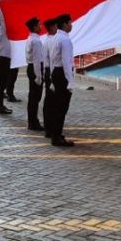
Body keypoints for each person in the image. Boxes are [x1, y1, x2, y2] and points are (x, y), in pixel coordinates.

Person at [46, 14, 75, 147]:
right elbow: (66, 62)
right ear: (64, 24)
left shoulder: (54, 38)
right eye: (70, 22)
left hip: (56, 73)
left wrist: (52, 77)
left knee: (57, 106)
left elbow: (52, 60)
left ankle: (55, 133)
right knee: (62, 107)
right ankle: (57, 136)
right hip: (62, 74)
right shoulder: (64, 40)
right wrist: (70, 81)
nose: (71, 25)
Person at [24, 18, 45, 132]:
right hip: (35, 68)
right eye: (39, 25)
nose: (40, 26)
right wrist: (39, 76)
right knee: (35, 98)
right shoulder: (36, 41)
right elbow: (37, 60)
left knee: (33, 97)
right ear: (34, 27)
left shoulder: (31, 39)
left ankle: (32, 121)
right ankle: (33, 122)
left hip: (31, 67)